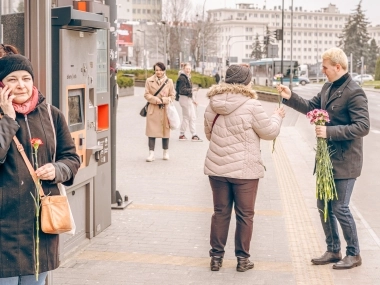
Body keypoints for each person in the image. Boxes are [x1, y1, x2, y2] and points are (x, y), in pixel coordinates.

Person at [276, 47, 370, 270]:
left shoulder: (354, 92)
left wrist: (330, 132)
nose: (322, 70)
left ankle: (354, 254)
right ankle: (333, 250)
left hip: (346, 160)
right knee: (323, 205)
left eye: (325, 67)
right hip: (326, 159)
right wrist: (291, 97)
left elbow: (363, 126)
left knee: (340, 207)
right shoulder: (327, 87)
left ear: (338, 67)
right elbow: (311, 107)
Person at [0, 54, 80, 284]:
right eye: (12, 79)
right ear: (2, 85)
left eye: (26, 78)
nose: (21, 84)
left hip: (41, 225)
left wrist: (58, 170)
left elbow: (71, 158)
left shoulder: (51, 115)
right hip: (5, 227)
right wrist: (8, 118)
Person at [204, 64, 285, 272]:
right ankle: (242, 260)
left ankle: (216, 259)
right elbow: (269, 132)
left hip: (217, 168)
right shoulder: (252, 105)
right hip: (245, 172)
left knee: (220, 213)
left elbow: (209, 134)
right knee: (245, 215)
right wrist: (277, 117)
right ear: (246, 82)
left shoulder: (213, 103)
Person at [144, 62, 175, 162]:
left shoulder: (169, 81)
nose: (159, 72)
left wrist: (164, 100)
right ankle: (151, 153)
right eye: (157, 70)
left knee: (165, 131)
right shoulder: (149, 81)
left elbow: (172, 96)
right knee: (151, 132)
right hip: (153, 109)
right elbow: (146, 94)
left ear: (164, 70)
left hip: (165, 109)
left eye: (161, 70)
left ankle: (165, 151)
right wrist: (155, 99)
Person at [177, 63, 203, 142]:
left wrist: (193, 100)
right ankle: (182, 134)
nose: (188, 70)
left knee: (192, 117)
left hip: (187, 99)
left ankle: (193, 134)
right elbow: (182, 90)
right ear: (183, 69)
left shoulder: (186, 77)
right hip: (185, 99)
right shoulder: (182, 78)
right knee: (187, 117)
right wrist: (193, 90)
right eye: (187, 69)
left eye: (189, 69)